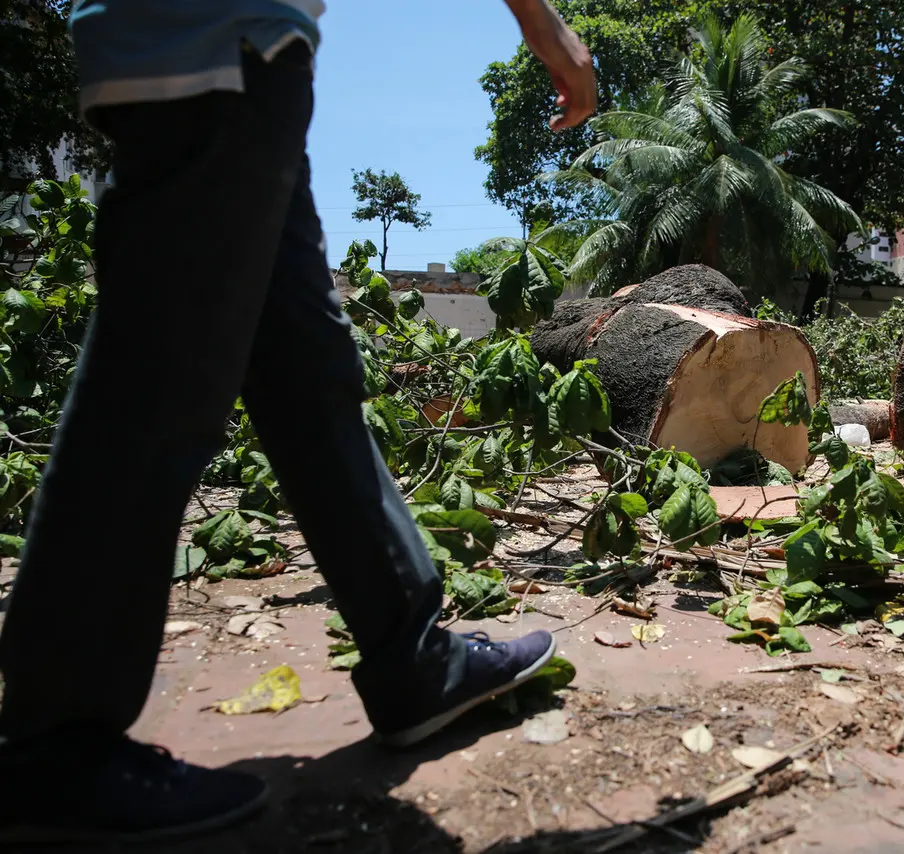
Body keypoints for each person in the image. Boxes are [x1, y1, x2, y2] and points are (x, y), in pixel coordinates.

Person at [0, 0, 596, 844]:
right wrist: (540, 20)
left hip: (237, 50)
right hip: (214, 45)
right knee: (159, 387)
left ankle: (410, 659)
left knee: (309, 373)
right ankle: (54, 744)